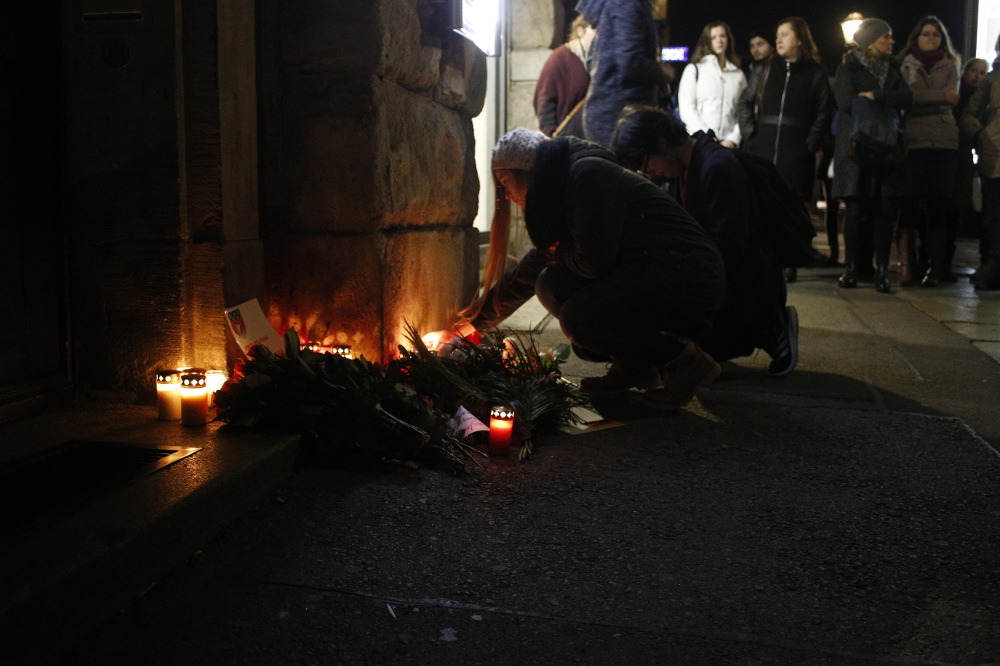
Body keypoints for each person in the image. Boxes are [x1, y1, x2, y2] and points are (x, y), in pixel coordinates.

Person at [449, 128, 727, 409]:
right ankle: (636, 366)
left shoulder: (587, 176)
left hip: (687, 277)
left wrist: (556, 251)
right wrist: (473, 324)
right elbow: (532, 269)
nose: (507, 195)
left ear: (527, 171)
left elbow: (593, 263)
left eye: (507, 183)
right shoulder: (564, 185)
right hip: (653, 271)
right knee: (550, 284)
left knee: (580, 318)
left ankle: (686, 361)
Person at [611, 105, 799, 376]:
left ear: (662, 143)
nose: (650, 174)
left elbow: (731, 246)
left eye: (645, 164)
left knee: (685, 349)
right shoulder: (687, 166)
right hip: (715, 269)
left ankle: (774, 328)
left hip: (745, 283)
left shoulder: (717, 167)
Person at [832, 18, 913, 293]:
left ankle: (881, 270)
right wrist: (870, 100)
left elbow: (907, 97)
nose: (891, 42)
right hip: (857, 148)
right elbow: (845, 102)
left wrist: (875, 96)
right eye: (885, 37)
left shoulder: (893, 68)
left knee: (884, 210)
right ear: (870, 41)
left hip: (886, 148)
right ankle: (851, 267)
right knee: (855, 209)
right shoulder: (849, 67)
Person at [897, 16, 961, 287]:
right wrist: (937, 97)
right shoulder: (905, 64)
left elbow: (952, 98)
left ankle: (935, 268)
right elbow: (907, 99)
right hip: (913, 140)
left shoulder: (951, 64)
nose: (931, 37)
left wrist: (922, 98)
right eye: (926, 33)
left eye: (935, 34)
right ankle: (907, 267)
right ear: (917, 37)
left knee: (938, 206)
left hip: (944, 142)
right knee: (909, 205)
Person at [575, 0, 661, 148]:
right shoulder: (626, 4)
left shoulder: (615, 5)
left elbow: (591, 60)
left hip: (610, 113)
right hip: (621, 117)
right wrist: (661, 71)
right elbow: (630, 62)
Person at [962, 40, 1000, 290]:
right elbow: (969, 112)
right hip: (995, 155)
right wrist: (981, 135)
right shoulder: (992, 78)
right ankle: (990, 265)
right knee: (993, 216)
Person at [677, 21, 746, 149]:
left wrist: (733, 139)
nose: (719, 40)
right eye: (713, 37)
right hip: (699, 142)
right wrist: (707, 136)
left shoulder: (738, 74)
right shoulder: (694, 70)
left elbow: (742, 110)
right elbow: (687, 108)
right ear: (707, 41)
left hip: (728, 145)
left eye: (722, 36)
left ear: (728, 39)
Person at [950, 58, 988, 279]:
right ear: (964, 72)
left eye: (982, 72)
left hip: (966, 156)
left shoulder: (983, 98)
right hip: (954, 152)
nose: (977, 76)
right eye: (974, 71)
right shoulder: (957, 94)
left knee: (959, 207)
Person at [533, 16, 596, 138]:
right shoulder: (560, 57)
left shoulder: (600, 61)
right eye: (594, 28)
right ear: (580, 30)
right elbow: (544, 98)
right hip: (567, 139)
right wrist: (551, 133)